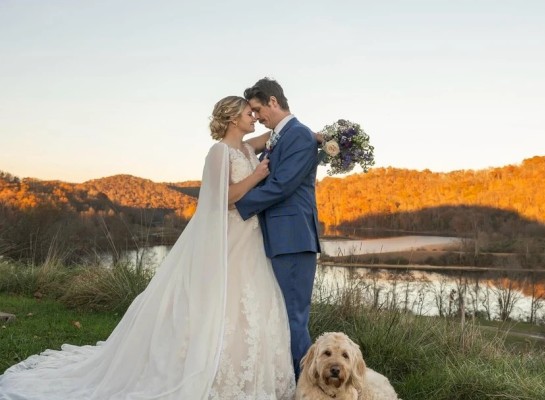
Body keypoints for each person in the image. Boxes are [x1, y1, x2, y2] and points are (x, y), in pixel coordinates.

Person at [0, 96, 296, 399]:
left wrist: (312, 135)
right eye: (250, 113)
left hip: (251, 236)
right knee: (223, 300)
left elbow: (274, 133)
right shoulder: (219, 153)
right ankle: (211, 368)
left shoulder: (247, 148)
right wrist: (257, 175)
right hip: (230, 235)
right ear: (234, 118)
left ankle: (251, 374)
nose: (255, 117)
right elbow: (224, 198)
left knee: (250, 301)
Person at [235, 78, 321, 379]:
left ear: (273, 101)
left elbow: (282, 185)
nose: (256, 117)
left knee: (293, 318)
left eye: (258, 110)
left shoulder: (298, 136)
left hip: (293, 240)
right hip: (277, 238)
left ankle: (305, 387)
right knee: (279, 316)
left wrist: (234, 204)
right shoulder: (281, 137)